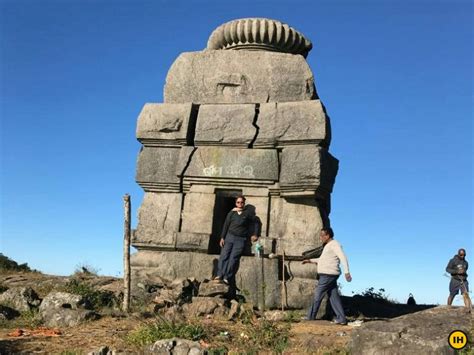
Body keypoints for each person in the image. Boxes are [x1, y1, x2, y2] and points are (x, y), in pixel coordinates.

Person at [302, 227, 352, 324]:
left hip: (327, 275)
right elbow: (322, 260)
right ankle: (341, 318)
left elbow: (343, 257)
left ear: (327, 235)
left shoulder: (334, 245)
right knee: (334, 297)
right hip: (329, 275)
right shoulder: (328, 246)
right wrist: (310, 260)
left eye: (322, 235)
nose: (320, 237)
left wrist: (347, 272)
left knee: (318, 295)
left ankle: (310, 317)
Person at [213, 195, 259, 294]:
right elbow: (226, 225)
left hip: (240, 239)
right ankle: (219, 275)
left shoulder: (248, 214)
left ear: (244, 203)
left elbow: (256, 222)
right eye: (238, 202)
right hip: (229, 237)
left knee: (233, 258)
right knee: (224, 256)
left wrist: (255, 234)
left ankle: (226, 277)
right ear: (235, 203)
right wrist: (222, 237)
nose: (240, 204)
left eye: (242, 202)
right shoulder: (232, 213)